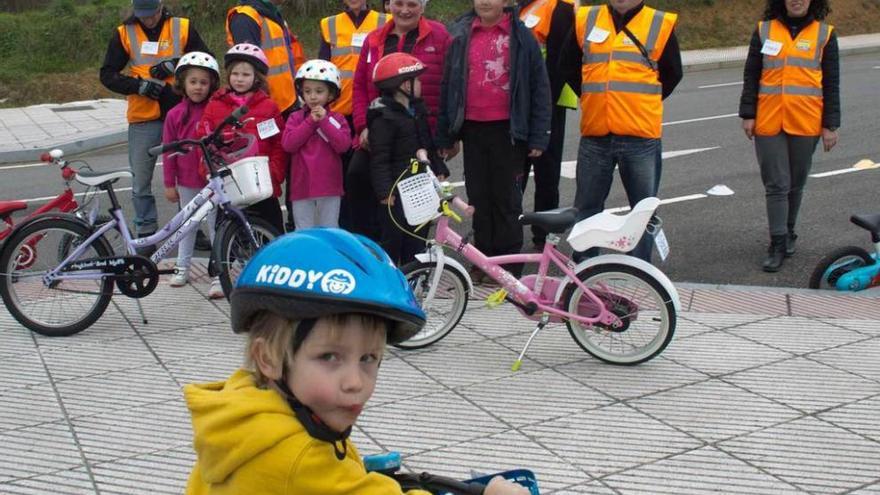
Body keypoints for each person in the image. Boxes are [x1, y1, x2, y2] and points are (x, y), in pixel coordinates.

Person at [183, 229, 530, 495]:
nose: (355, 381)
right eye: (330, 357)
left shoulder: (244, 414)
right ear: (268, 358)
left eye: (368, 358)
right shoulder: (298, 455)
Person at [435, 0, 552, 279]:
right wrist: (446, 134)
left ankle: (508, 266)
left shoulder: (522, 36)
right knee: (479, 197)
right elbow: (448, 85)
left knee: (506, 199)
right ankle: (483, 260)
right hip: (473, 129)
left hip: (508, 131)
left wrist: (538, 135)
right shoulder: (461, 34)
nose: (485, 2)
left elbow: (539, 86)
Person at [565, 0, 682, 263]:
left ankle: (639, 271)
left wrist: (641, 103)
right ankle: (585, 269)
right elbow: (568, 65)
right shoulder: (587, 19)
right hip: (596, 134)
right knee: (587, 208)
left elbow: (673, 73)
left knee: (641, 211)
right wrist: (592, 98)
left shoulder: (658, 23)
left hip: (640, 135)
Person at [99, 0, 209, 251]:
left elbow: (206, 59)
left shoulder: (182, 27)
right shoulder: (124, 33)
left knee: (189, 174)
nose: (148, 20)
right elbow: (107, 74)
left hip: (182, 112)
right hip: (143, 115)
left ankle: (193, 227)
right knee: (141, 179)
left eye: (152, 15)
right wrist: (137, 86)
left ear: (161, 8)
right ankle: (146, 231)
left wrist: (175, 63)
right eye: (142, 16)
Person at [739, 0, 840, 272]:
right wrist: (748, 113)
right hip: (769, 121)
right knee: (776, 184)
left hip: (806, 121)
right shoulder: (764, 30)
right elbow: (752, 74)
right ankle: (777, 242)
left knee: (796, 183)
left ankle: (789, 230)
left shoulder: (824, 34)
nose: (796, 0)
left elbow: (831, 82)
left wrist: (830, 124)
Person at [348, 0, 450, 241]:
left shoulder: (440, 36)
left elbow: (451, 85)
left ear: (423, 6)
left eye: (412, 4)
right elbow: (360, 86)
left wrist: (447, 133)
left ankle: (416, 257)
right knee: (357, 177)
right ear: (388, 5)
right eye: (399, 3)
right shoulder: (373, 39)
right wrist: (363, 126)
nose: (405, 10)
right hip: (381, 129)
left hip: (421, 132)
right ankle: (371, 249)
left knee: (419, 201)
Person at [368, 53, 450, 266]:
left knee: (418, 235)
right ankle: (392, 280)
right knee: (394, 237)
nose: (421, 84)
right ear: (405, 85)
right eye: (418, 80)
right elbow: (380, 158)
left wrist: (439, 167)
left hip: (419, 186)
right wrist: (385, 192)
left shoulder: (417, 111)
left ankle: (415, 277)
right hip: (396, 189)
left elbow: (427, 144)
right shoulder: (384, 118)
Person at [198, 43, 287, 236]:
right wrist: (208, 168)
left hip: (261, 182)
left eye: (246, 75)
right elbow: (204, 140)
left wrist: (275, 171)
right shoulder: (215, 105)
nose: (239, 79)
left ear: (257, 78)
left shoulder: (268, 107)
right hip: (229, 183)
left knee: (272, 234)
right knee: (230, 238)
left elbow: (277, 143)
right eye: (235, 73)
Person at [319, 0, 390, 230]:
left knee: (369, 176)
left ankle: (375, 229)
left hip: (370, 113)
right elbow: (323, 68)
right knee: (342, 179)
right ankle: (348, 229)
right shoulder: (328, 24)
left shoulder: (384, 20)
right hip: (338, 115)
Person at [517, 0, 580, 251]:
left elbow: (559, 63)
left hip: (547, 107)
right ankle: (508, 233)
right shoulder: (521, 7)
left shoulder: (559, 7)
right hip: (520, 107)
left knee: (546, 176)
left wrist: (543, 107)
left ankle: (543, 239)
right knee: (514, 176)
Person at [161, 52, 222, 294]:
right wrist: (168, 183)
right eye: (193, 81)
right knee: (188, 225)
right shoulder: (175, 115)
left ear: (212, 85)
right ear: (183, 83)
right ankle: (182, 267)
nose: (198, 87)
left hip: (212, 179)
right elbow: (168, 152)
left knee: (216, 225)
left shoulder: (216, 111)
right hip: (186, 181)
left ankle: (218, 272)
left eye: (204, 82)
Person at [281, 60, 351, 229]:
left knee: (330, 230)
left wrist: (324, 121)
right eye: (307, 91)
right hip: (302, 187)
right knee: (304, 231)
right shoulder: (296, 118)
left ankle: (328, 257)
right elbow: (289, 144)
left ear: (331, 94)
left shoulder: (337, 119)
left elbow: (343, 145)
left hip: (330, 187)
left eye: (319, 91)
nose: (312, 96)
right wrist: (311, 122)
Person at [226, 0, 305, 117]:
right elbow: (246, 67)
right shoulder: (245, 18)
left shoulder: (270, 15)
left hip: (287, 101)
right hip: (266, 107)